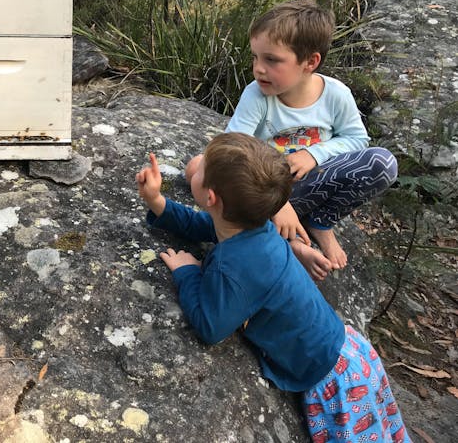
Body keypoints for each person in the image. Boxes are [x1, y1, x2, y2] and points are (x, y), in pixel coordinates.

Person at [137, 133, 410, 443]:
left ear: (211, 197)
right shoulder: (252, 225)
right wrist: (157, 202)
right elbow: (201, 225)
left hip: (332, 377)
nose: (193, 168)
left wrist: (188, 273)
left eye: (200, 168)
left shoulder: (236, 265)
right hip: (349, 352)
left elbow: (210, 326)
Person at [185, 0, 397, 281]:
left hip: (314, 182)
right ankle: (295, 245)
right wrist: (277, 204)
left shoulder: (335, 95)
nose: (258, 69)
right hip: (264, 191)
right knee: (198, 167)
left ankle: (320, 223)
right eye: (255, 57)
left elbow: (357, 140)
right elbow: (232, 147)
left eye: (271, 60)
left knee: (382, 162)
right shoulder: (256, 95)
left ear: (310, 62)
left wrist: (314, 155)